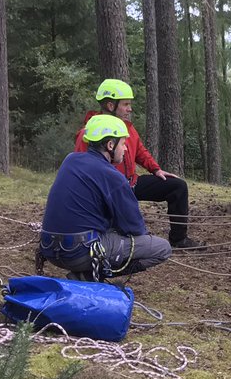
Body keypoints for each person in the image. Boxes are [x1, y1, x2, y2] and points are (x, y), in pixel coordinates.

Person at [74, 79, 206, 250]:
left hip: (130, 184)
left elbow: (140, 151)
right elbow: (80, 167)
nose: (130, 109)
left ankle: (179, 239)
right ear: (110, 105)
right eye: (126, 104)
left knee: (177, 186)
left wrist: (156, 169)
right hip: (107, 192)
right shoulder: (90, 132)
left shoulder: (127, 127)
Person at [40, 114, 172, 281]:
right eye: (123, 144)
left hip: (49, 248)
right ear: (110, 145)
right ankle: (90, 275)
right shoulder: (113, 177)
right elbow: (135, 228)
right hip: (78, 252)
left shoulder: (70, 160)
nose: (125, 149)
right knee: (162, 248)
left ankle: (86, 272)